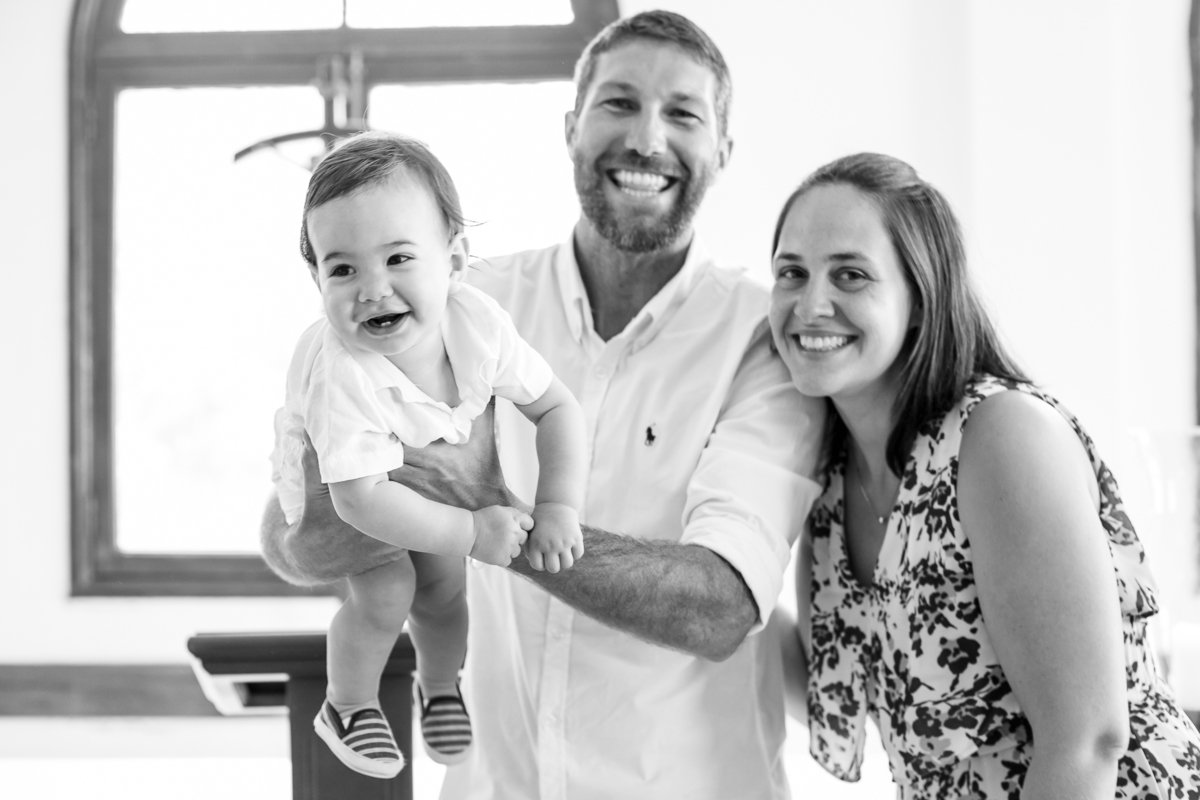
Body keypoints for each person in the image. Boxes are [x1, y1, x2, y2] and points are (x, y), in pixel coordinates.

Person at [261, 10, 827, 799]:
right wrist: (330, 504)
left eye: (683, 114)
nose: (647, 139)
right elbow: (290, 543)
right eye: (619, 103)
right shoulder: (454, 300)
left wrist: (483, 509)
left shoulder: (761, 338)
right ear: (571, 127)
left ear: (723, 151)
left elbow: (720, 607)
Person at [770, 152, 1200, 798]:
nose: (811, 304)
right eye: (791, 273)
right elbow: (841, 691)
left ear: (921, 299)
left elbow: (1087, 741)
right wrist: (716, 576)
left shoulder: (998, 435)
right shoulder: (830, 485)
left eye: (851, 275)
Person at [271, 131, 587, 779]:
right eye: (342, 269)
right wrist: (471, 530)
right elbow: (360, 500)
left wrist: (558, 507)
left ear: (454, 261)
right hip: (338, 488)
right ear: (316, 279)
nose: (372, 289)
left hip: (420, 470)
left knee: (444, 589)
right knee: (390, 590)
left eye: (398, 258)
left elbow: (557, 409)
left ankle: (440, 684)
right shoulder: (343, 372)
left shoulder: (479, 326)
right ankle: (347, 705)